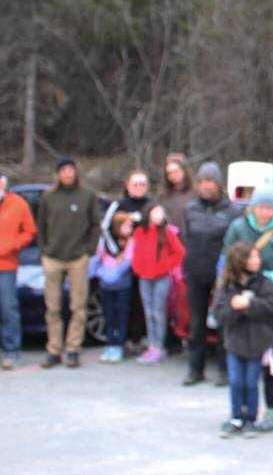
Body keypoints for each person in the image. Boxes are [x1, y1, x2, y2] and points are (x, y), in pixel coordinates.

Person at [222, 183, 273, 432]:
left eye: (270, 207)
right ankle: (241, 411)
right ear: (253, 206)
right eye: (261, 207)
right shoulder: (238, 227)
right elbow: (224, 261)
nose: (265, 212)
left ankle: (271, 409)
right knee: (241, 350)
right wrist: (224, 290)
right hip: (241, 297)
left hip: (271, 299)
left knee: (271, 357)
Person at [182, 161, 241, 386]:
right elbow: (185, 238)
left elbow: (236, 245)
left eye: (209, 181)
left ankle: (224, 370)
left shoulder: (232, 211)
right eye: (201, 181)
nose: (205, 186)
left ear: (218, 184)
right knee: (196, 324)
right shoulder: (191, 209)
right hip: (196, 273)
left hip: (222, 276)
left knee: (223, 322)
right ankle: (195, 369)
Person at [37, 158, 100, 369]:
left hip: (77, 258)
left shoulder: (87, 196)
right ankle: (53, 349)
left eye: (70, 170)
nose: (67, 174)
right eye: (63, 170)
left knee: (78, 307)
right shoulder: (48, 197)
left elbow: (95, 225)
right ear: (58, 174)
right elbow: (41, 226)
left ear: (76, 173)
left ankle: (73, 349)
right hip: (53, 258)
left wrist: (88, 251)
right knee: (52, 307)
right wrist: (44, 252)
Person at [213, 241, 273, 439]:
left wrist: (248, 304)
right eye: (251, 257)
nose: (256, 260)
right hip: (235, 343)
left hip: (258, 343)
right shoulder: (227, 286)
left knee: (251, 382)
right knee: (236, 381)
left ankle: (251, 419)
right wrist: (235, 307)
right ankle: (235, 418)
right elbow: (220, 313)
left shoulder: (264, 283)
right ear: (240, 261)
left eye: (257, 256)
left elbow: (270, 306)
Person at [132, 203, 185, 364]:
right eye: (156, 213)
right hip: (144, 277)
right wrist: (137, 268)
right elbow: (136, 252)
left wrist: (166, 266)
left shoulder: (167, 232)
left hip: (161, 277)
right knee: (148, 312)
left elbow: (180, 252)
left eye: (161, 213)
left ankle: (159, 347)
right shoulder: (140, 231)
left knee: (158, 312)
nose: (158, 216)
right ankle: (151, 345)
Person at [0, 175, 36, 370]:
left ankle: (12, 351)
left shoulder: (18, 204)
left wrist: (13, 245)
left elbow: (30, 231)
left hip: (6, 265)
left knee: (8, 309)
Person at [94, 211, 135, 363]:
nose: (130, 229)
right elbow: (99, 258)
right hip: (106, 285)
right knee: (109, 316)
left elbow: (127, 262)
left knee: (122, 316)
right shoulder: (105, 241)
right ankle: (110, 344)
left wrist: (113, 273)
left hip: (123, 285)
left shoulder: (131, 242)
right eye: (127, 226)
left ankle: (119, 345)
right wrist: (102, 273)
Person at [159, 157, 197, 230]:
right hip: (171, 237)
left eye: (176, 171)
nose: (173, 175)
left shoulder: (196, 192)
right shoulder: (164, 195)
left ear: (184, 171)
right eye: (169, 173)